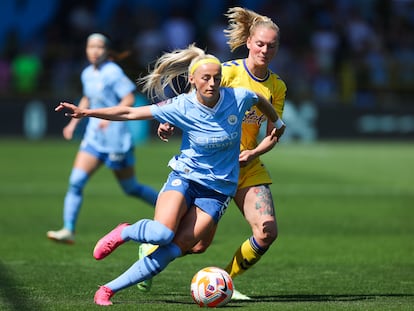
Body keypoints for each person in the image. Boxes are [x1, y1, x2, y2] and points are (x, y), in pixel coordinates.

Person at [55, 44, 285, 306]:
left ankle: (107, 289)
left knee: (178, 248)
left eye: (217, 78)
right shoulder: (181, 105)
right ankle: (126, 232)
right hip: (185, 177)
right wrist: (86, 113)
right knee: (163, 234)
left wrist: (276, 124)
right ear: (192, 80)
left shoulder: (238, 97)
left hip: (218, 191)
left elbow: (260, 99)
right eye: (206, 78)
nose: (212, 84)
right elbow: (130, 112)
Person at [152, 7, 287, 300]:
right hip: (213, 166)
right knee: (197, 245)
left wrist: (253, 153)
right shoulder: (228, 72)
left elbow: (274, 133)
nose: (265, 50)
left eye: (271, 45)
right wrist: (168, 121)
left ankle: (227, 281)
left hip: (247, 165)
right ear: (249, 42)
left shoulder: (277, 87)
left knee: (267, 231)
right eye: (260, 43)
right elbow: (195, 98)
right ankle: (150, 252)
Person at [47, 33, 158, 244]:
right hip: (94, 139)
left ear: (107, 51)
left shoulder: (113, 72)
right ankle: (68, 229)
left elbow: (129, 97)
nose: (94, 51)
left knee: (130, 188)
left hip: (116, 141)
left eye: (99, 47)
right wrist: (72, 123)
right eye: (91, 47)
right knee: (76, 182)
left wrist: (110, 117)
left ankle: (171, 209)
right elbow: (87, 98)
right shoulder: (88, 73)